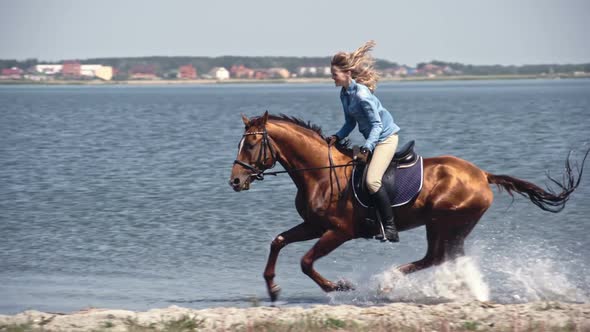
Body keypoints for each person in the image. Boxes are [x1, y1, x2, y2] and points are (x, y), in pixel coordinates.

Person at [326, 40, 401, 242]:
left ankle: (390, 228)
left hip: (385, 139)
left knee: (372, 180)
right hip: (373, 140)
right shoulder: (344, 94)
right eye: (332, 75)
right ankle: (368, 221)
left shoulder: (361, 95)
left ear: (347, 73)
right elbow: (350, 122)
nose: (332, 78)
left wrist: (368, 147)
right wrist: (337, 137)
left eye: (335, 74)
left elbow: (377, 125)